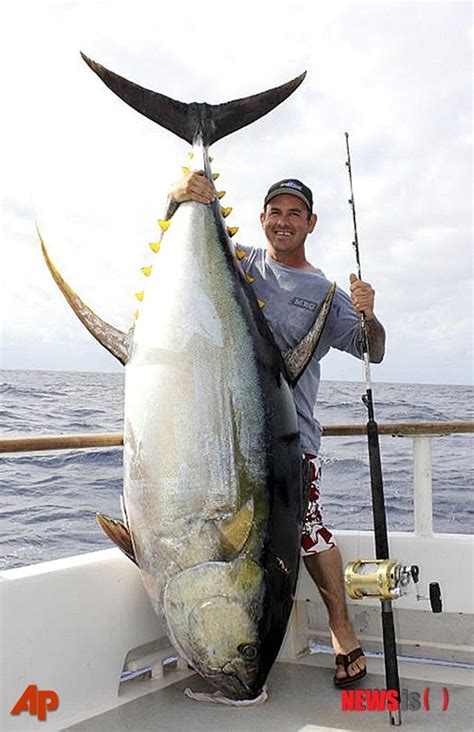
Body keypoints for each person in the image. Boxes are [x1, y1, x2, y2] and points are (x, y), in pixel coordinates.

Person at [168, 171, 386, 687]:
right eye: (275, 212)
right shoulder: (238, 261)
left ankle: (340, 632)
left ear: (310, 223)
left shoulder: (327, 292)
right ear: (263, 218)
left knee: (308, 531)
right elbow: (181, 238)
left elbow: (372, 350)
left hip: (292, 439)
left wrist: (368, 315)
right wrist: (178, 197)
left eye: (294, 213)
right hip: (225, 436)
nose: (283, 221)